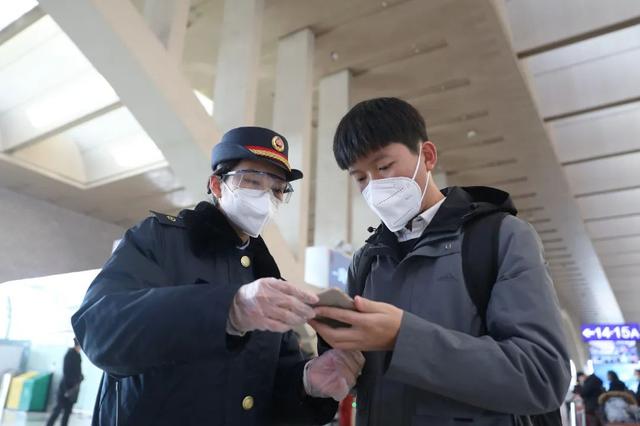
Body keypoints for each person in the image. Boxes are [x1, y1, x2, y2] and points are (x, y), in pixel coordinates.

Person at [72, 127, 364, 426]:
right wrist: (228, 308)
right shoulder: (160, 240)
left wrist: (307, 383)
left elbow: (265, 393)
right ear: (217, 184)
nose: (265, 197)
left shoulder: (265, 274)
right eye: (251, 181)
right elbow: (98, 329)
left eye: (277, 189)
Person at [310, 97, 571, 425]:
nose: (375, 186)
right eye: (360, 177)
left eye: (384, 166)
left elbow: (541, 375)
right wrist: (337, 359)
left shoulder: (500, 238)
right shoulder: (365, 261)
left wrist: (403, 337)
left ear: (428, 156)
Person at [46, 339, 83, 426]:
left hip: (73, 388)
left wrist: (80, 377)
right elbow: (66, 372)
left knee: (67, 412)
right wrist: (67, 389)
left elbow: (78, 371)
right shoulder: (69, 355)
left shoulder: (78, 356)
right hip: (65, 387)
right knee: (58, 409)